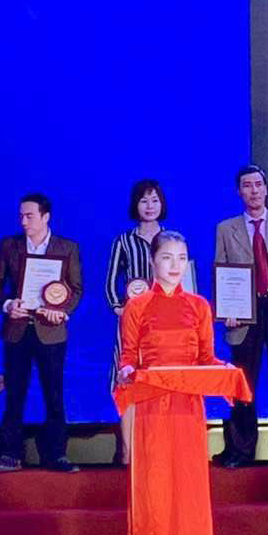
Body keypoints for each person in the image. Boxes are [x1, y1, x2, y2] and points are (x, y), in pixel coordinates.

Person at [118, 231, 223, 535]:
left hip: (187, 411)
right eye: (167, 257)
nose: (175, 264)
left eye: (181, 257)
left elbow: (207, 358)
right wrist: (128, 372)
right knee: (154, 499)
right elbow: (128, 358)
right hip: (151, 411)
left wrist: (224, 371)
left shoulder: (199, 306)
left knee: (188, 501)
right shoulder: (137, 306)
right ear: (153, 261)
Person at [213, 164, 268, 467]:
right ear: (239, 192)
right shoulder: (226, 229)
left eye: (258, 185)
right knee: (243, 382)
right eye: (247, 186)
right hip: (243, 314)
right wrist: (226, 310)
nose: (254, 191)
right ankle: (241, 449)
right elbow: (221, 273)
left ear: (266, 189)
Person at [0, 193, 83, 472]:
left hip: (51, 331)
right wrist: (8, 305)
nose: (23, 221)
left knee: (54, 394)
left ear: (45, 217)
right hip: (17, 330)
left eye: (29, 216)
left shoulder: (67, 247)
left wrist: (62, 311)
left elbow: (76, 289)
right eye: (21, 216)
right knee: (14, 393)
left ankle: (56, 454)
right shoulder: (9, 245)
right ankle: (11, 453)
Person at [105, 179, 166, 464]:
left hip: (165, 326)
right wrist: (119, 308)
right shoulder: (124, 241)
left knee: (161, 383)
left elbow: (185, 278)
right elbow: (110, 281)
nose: (150, 206)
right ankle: (128, 453)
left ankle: (159, 449)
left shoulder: (172, 239)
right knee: (127, 382)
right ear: (135, 205)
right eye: (144, 201)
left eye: (154, 200)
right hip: (132, 326)